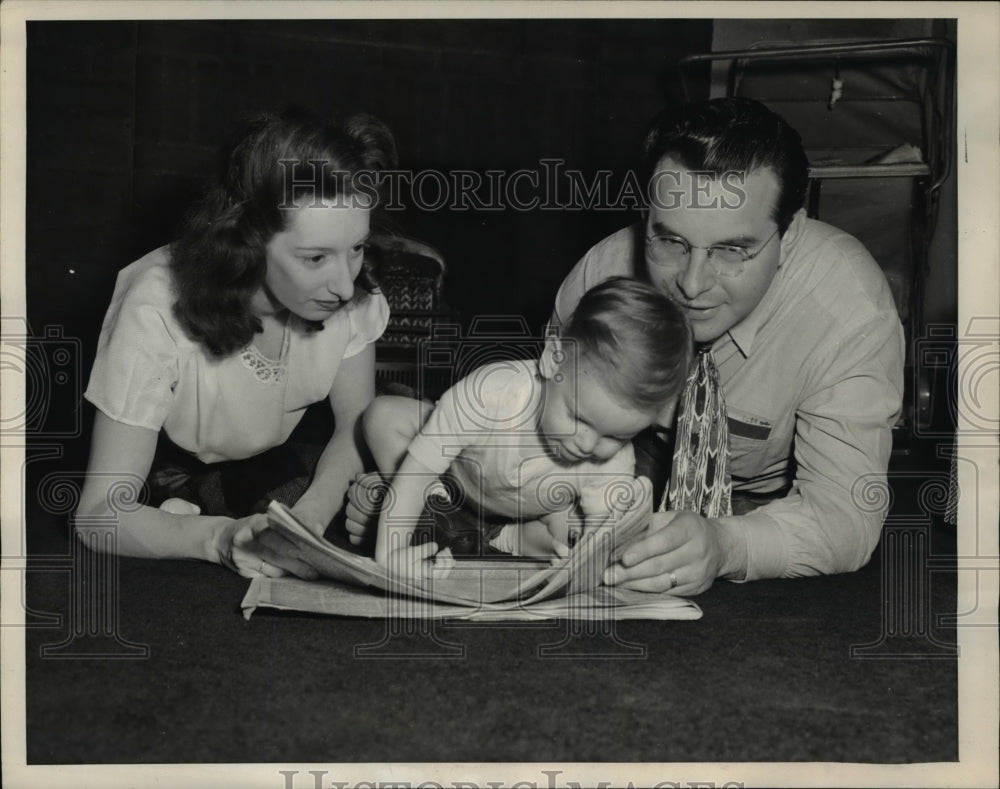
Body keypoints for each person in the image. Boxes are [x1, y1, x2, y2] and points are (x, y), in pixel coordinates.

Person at [550, 97, 906, 596]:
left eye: (733, 249)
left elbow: (846, 515)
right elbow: (540, 439)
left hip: (767, 512)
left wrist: (726, 545)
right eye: (669, 241)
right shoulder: (598, 280)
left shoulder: (848, 306)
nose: (692, 285)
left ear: (791, 233)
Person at [75, 109, 396, 579]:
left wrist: (311, 516)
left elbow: (355, 424)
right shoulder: (156, 304)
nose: (346, 286)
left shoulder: (352, 294)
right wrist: (218, 539)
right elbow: (98, 514)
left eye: (356, 248)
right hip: (164, 473)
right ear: (246, 239)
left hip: (274, 465)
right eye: (315, 258)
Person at [363, 277, 691, 579]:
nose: (588, 445)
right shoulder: (489, 395)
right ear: (552, 359)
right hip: (450, 481)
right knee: (383, 417)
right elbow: (417, 471)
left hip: (529, 511)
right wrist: (390, 553)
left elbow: (603, 537)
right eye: (579, 418)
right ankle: (437, 514)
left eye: (617, 436)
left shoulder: (613, 460)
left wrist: (587, 562)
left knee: (580, 537)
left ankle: (507, 538)